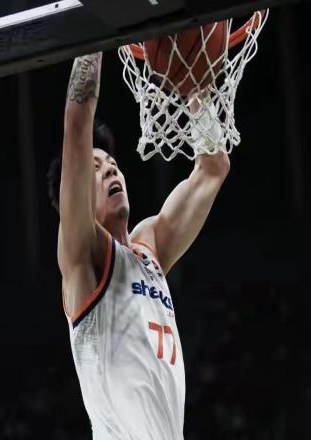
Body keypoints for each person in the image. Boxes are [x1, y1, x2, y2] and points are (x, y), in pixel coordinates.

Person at [47, 52, 230, 439]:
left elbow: (212, 168)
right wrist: (93, 38)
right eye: (95, 168)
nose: (110, 168)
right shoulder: (83, 256)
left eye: (112, 163)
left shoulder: (150, 248)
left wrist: (195, 88)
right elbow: (77, 121)